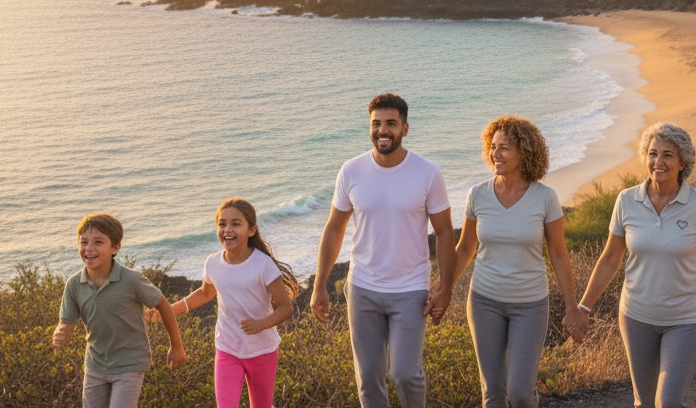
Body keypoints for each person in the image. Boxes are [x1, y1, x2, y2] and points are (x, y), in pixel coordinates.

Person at [578, 123, 696, 408]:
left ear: (682, 163)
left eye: (668, 155)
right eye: (653, 153)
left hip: (685, 319)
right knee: (644, 402)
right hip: (636, 316)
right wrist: (584, 307)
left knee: (668, 402)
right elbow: (610, 259)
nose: (658, 161)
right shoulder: (626, 200)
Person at [311, 93, 455, 408]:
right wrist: (319, 284)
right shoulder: (351, 170)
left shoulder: (427, 172)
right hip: (362, 287)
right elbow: (334, 229)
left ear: (405, 128)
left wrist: (445, 288)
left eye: (391, 123)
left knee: (405, 373)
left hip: (410, 289)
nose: (382, 130)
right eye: (376, 123)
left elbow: (445, 232)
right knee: (368, 379)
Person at [453, 116, 588, 408]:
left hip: (529, 304)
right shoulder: (477, 194)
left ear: (524, 152)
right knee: (492, 394)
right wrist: (443, 289)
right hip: (484, 301)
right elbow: (464, 249)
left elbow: (558, 254)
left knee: (521, 393)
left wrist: (571, 307)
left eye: (504, 148)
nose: (495, 154)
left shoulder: (545, 198)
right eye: (493, 146)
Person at [149, 198, 297, 408]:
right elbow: (204, 293)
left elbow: (285, 308)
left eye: (236, 224)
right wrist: (168, 310)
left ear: (251, 230)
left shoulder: (263, 265)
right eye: (222, 224)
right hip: (227, 348)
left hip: (262, 350)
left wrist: (260, 324)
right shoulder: (213, 263)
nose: (227, 229)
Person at [52, 213, 186, 408]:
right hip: (95, 364)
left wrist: (176, 346)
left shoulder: (131, 280)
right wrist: (61, 332)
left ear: (115, 248)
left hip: (129, 363)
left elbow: (163, 305)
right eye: (83, 242)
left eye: (98, 242)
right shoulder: (74, 284)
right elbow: (66, 323)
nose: (89, 248)